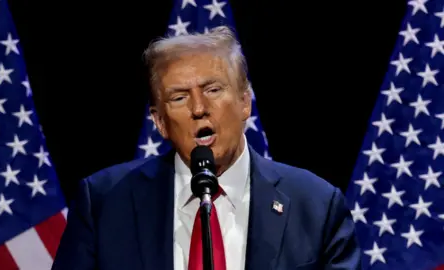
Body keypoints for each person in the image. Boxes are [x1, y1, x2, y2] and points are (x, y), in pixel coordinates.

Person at [52, 26, 362, 270]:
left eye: (213, 89)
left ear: (244, 101)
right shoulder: (105, 203)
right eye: (179, 98)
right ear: (159, 121)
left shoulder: (315, 205)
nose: (199, 108)